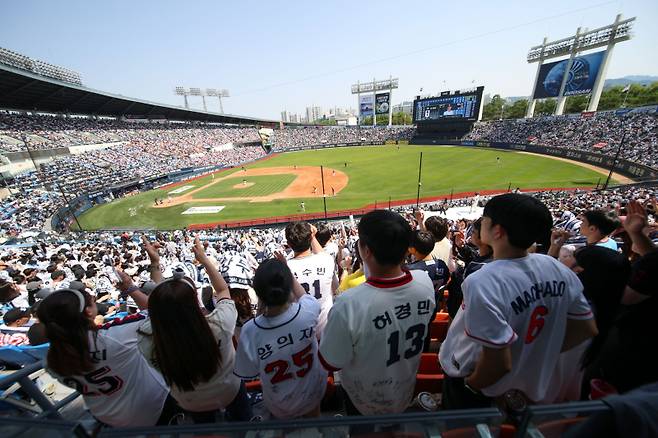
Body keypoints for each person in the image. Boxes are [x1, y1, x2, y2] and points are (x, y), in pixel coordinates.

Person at [439, 193, 598, 409]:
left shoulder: (482, 281)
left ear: (498, 231)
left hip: (478, 383)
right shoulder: (557, 268)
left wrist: (472, 386)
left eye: (485, 219)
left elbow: (499, 361)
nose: (481, 222)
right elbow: (586, 328)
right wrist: (537, 353)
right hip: (525, 385)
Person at [319, 210, 435, 415]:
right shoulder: (424, 282)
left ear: (366, 251)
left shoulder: (348, 303)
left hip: (362, 401)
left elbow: (331, 361)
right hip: (405, 389)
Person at [137, 236, 252, 423]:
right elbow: (223, 291)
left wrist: (155, 263)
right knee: (243, 420)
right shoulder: (219, 324)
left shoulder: (146, 339)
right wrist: (204, 259)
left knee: (203, 425)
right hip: (229, 391)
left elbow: (163, 304)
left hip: (189, 401)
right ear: (194, 303)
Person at [36, 284, 174, 427]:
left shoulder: (50, 360)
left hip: (106, 417)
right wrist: (130, 287)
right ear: (89, 312)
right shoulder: (114, 335)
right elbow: (154, 312)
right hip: (153, 409)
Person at [234, 258, 327, 419]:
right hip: (313, 393)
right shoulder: (307, 311)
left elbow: (248, 371)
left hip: (279, 404)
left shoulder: (251, 330)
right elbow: (304, 296)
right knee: (315, 425)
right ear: (288, 285)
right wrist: (286, 271)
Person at [285, 222, 337, 337]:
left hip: (301, 336)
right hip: (328, 332)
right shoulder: (326, 260)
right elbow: (321, 254)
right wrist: (312, 236)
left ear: (288, 244)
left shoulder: (286, 269)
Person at [405, 230, 449, 351]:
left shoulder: (411, 270)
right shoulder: (441, 265)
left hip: (413, 312)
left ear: (413, 249)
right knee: (426, 337)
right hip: (431, 308)